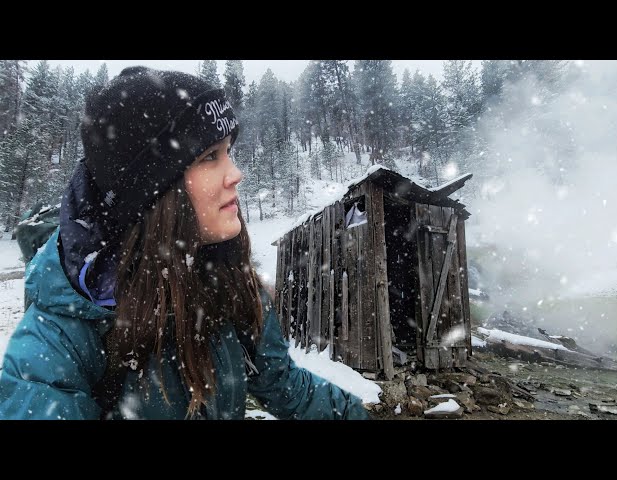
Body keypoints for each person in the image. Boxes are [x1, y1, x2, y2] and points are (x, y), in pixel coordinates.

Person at [0, 66, 369, 420]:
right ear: (152, 193)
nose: (236, 173)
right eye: (210, 157)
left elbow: (286, 386)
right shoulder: (59, 342)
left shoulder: (229, 282)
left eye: (229, 152)